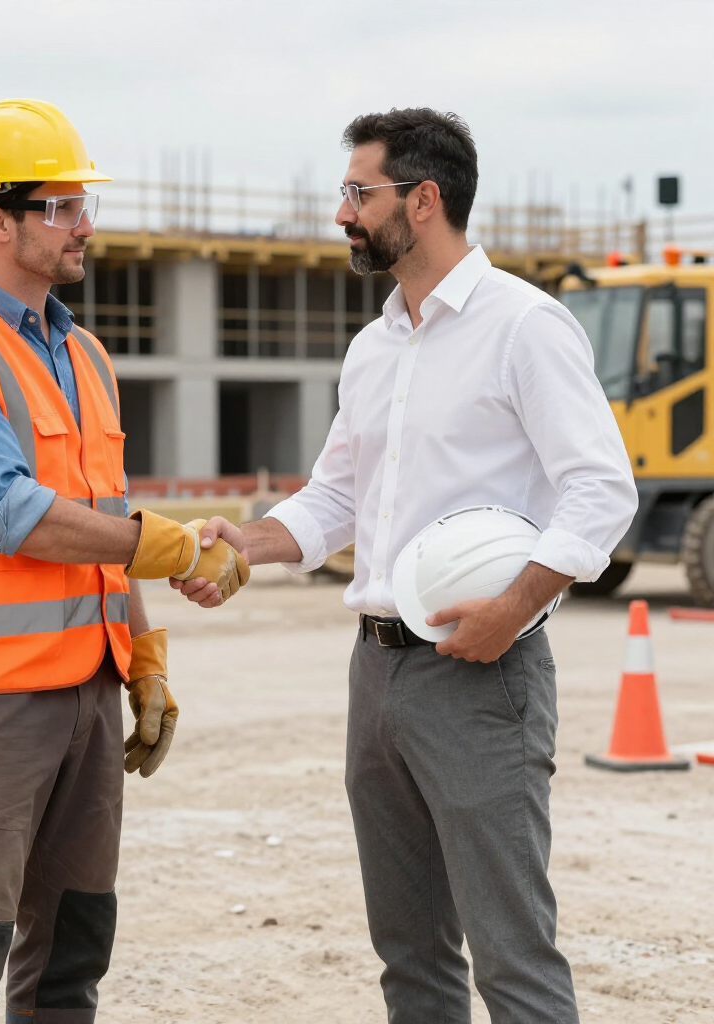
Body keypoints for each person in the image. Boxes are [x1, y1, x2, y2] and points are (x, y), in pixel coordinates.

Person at [175, 107, 637, 1024]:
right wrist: (249, 542)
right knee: (410, 956)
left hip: (481, 671)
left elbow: (601, 490)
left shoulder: (524, 327)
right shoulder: (375, 346)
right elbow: (336, 497)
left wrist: (513, 608)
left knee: (512, 957)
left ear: (424, 200)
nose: (342, 213)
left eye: (360, 192)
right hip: (376, 671)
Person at [0, 99, 247, 1024]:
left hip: (88, 691)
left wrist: (145, 657)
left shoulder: (84, 355)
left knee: (73, 952)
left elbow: (101, 522)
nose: (85, 225)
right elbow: (10, 514)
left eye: (84, 205)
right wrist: (166, 544)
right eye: (61, 207)